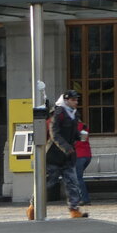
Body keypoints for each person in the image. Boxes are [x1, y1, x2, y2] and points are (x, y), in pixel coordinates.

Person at [27, 89, 88, 219]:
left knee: (72, 182)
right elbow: (54, 133)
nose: (76, 102)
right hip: (54, 156)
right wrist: (66, 147)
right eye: (73, 100)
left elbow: (71, 133)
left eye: (77, 99)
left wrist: (79, 135)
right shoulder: (58, 113)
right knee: (47, 183)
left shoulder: (74, 114)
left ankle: (74, 209)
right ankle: (33, 207)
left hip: (68, 157)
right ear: (66, 100)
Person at [75, 118, 92, 206]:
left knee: (78, 177)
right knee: (77, 177)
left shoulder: (73, 127)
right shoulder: (84, 127)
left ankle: (84, 199)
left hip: (79, 156)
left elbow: (75, 143)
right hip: (87, 155)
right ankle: (81, 198)